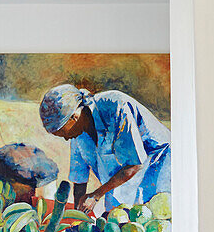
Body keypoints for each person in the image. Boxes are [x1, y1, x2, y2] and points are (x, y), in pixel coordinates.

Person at [38, 83, 171, 214]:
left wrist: (96, 195)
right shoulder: (77, 135)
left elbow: (134, 164)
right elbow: (80, 179)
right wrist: (78, 215)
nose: (66, 139)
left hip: (160, 165)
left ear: (74, 116)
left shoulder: (115, 106)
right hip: (126, 179)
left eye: (63, 133)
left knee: (155, 219)